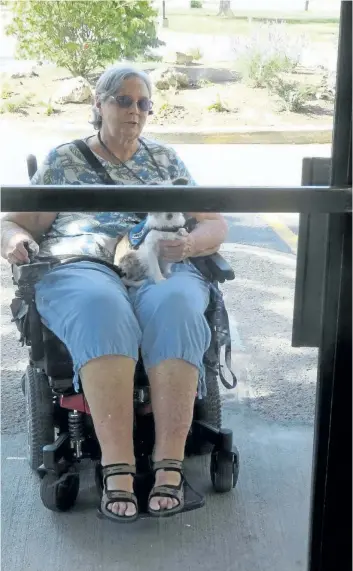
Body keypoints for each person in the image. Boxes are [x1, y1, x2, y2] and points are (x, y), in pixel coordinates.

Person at [1, 65, 227, 522]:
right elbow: (15, 222)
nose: (135, 111)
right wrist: (15, 241)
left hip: (159, 262)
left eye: (144, 103)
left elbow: (216, 223)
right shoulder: (64, 160)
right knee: (103, 306)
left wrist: (188, 245)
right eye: (123, 100)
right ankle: (117, 469)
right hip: (81, 261)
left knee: (179, 304)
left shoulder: (164, 160)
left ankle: (169, 465)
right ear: (98, 104)